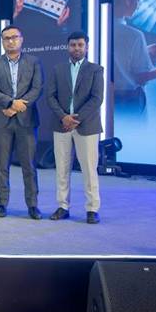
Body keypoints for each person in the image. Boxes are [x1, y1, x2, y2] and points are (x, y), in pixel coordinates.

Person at [0, 25, 44, 220]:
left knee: (29, 166)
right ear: (2, 41)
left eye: (14, 37)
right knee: (1, 166)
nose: (11, 41)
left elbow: (37, 88)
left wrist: (18, 106)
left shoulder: (34, 62)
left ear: (21, 39)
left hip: (26, 121)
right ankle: (2, 203)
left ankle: (33, 205)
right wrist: (10, 103)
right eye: (7, 38)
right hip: (2, 120)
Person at [46, 32, 104, 224]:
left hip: (86, 126)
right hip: (61, 124)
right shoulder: (58, 69)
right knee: (62, 169)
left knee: (89, 169)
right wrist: (64, 117)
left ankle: (92, 209)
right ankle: (63, 207)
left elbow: (97, 98)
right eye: (73, 45)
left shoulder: (96, 70)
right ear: (67, 47)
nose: (76, 48)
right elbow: (50, 96)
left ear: (86, 47)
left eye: (80, 45)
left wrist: (76, 119)